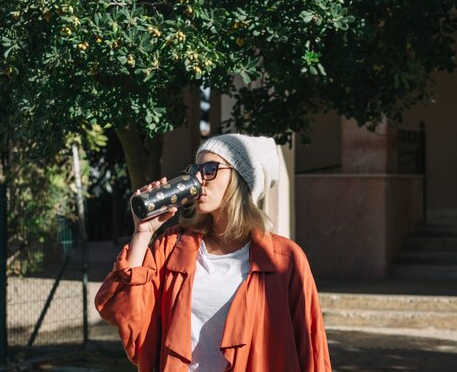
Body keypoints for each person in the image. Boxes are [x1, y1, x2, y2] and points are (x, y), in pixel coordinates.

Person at [95, 133, 332, 372]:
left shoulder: (284, 260)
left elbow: (311, 349)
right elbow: (126, 311)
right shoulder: (173, 247)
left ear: (241, 179)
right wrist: (142, 233)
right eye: (195, 169)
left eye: (209, 169)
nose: (198, 179)